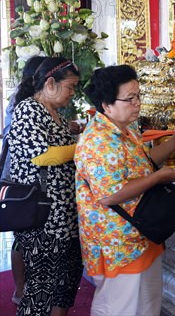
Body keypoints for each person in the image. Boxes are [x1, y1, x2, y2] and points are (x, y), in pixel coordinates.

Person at [75, 65, 175, 316]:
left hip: (139, 233)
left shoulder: (125, 128)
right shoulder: (98, 140)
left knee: (147, 305)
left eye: (138, 96)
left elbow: (143, 161)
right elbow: (110, 194)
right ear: (107, 104)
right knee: (118, 308)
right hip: (116, 242)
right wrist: (157, 178)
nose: (138, 103)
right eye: (130, 98)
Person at [7, 57, 83, 316]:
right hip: (42, 218)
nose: (72, 94)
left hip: (64, 215)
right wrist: (85, 147)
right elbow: (42, 156)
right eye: (70, 87)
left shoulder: (57, 115)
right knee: (41, 289)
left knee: (64, 286)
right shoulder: (28, 109)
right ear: (50, 83)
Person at [1, 56, 44, 306]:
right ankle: (20, 290)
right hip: (20, 178)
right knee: (23, 233)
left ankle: (24, 289)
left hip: (24, 177)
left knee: (26, 233)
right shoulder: (24, 105)